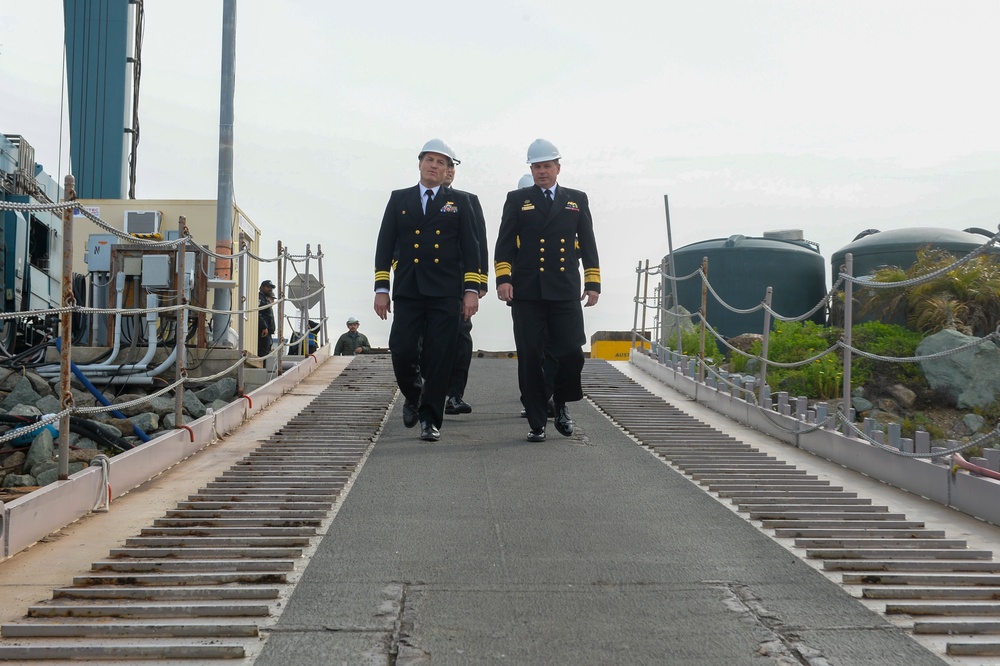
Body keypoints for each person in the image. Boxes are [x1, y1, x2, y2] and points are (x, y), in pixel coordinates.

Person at [374, 139, 482, 442]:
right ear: (420, 163)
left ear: (448, 169)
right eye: (429, 160)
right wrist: (381, 288)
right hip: (408, 288)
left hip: (446, 291)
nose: (434, 166)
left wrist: (471, 289)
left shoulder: (459, 202)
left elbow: (470, 249)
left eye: (441, 162)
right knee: (402, 348)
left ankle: (431, 419)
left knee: (439, 355)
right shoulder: (400, 199)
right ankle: (413, 393)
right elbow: (384, 246)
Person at [495, 139, 600, 442]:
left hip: (565, 289)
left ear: (558, 167)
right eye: (536, 166)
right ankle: (536, 420)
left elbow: (589, 244)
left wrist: (593, 283)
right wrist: (504, 280)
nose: (542, 171)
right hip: (527, 292)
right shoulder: (517, 199)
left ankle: (563, 404)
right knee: (530, 357)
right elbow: (504, 245)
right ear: (531, 169)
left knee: (570, 352)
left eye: (547, 166)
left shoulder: (576, 199)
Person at [444, 163, 489, 415]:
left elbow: (479, 241)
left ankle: (454, 395)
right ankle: (426, 389)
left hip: (461, 284)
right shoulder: (412, 200)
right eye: (442, 165)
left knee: (461, 338)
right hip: (422, 286)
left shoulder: (468, 201)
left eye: (451, 167)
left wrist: (479, 282)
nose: (448, 171)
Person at [257, 279, 276, 357]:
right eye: (268, 287)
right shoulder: (260, 298)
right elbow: (258, 313)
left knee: (266, 351)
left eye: (271, 287)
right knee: (262, 351)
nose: (270, 289)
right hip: (263, 331)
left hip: (268, 331)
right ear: (262, 287)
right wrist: (264, 326)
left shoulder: (265, 300)